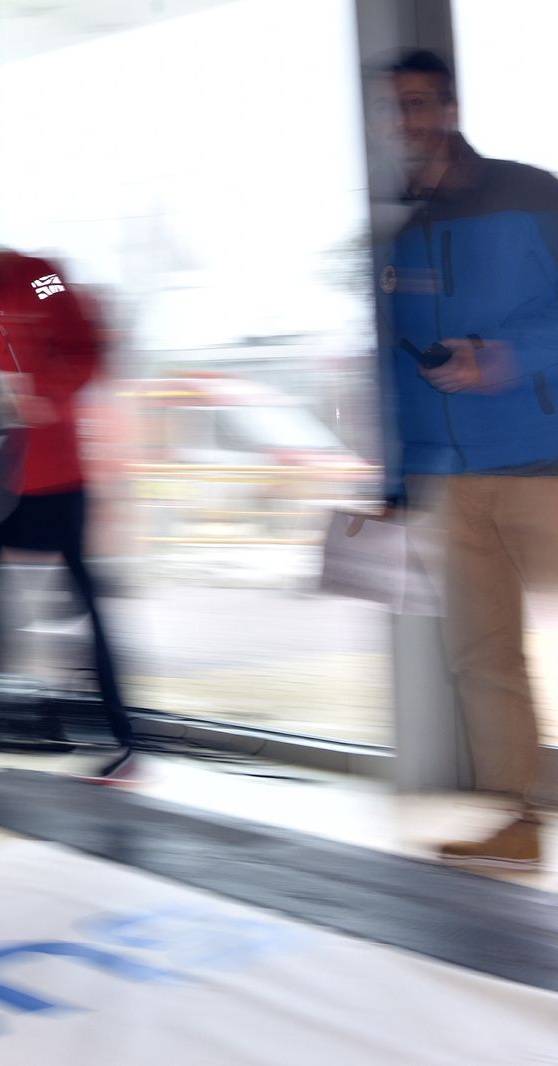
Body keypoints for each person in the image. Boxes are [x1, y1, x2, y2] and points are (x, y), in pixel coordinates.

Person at [374, 49, 558, 869]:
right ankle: (515, 819)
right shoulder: (400, 238)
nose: (404, 122)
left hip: (543, 458)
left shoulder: (531, 194)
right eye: (392, 109)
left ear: (448, 110)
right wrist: (395, 481)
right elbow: (391, 368)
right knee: (483, 657)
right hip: (449, 478)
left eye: (417, 104)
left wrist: (508, 354)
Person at [0, 206, 136, 782]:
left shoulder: (38, 276)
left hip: (60, 476)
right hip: (5, 480)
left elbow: (87, 347)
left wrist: (43, 394)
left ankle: (122, 740)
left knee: (86, 608)